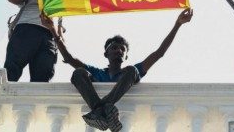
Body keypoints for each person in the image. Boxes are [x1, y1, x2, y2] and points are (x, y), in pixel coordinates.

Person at [40, 8, 193, 132]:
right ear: (106, 53)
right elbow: (70, 59)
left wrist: (177, 25)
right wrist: (53, 30)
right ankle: (104, 110)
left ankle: (100, 111)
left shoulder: (129, 72)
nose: (118, 50)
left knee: (132, 70)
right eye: (114, 48)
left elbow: (159, 53)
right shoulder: (97, 73)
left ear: (125, 55)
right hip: (106, 107)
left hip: (125, 87)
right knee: (78, 73)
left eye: (122, 49)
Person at [4, 0, 64, 82]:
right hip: (26, 30)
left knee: (43, 76)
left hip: (49, 38)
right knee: (12, 69)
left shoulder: (61, 6)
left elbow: (60, 32)